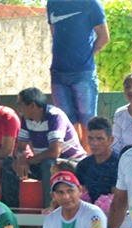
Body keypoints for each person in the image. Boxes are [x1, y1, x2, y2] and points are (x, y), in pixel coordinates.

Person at [8, 87, 86, 208]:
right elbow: (20, 147)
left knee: (48, 164)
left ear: (32, 106)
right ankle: (11, 209)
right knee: (9, 164)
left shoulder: (55, 116)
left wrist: (28, 161)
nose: (19, 110)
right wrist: (20, 159)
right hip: (43, 161)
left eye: (21, 105)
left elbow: (54, 152)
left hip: (72, 163)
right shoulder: (26, 119)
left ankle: (49, 209)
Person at [47, 0, 109, 151]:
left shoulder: (91, 3)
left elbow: (104, 37)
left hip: (83, 73)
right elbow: (54, 33)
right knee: (66, 122)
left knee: (87, 122)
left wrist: (84, 57)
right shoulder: (52, 3)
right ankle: (75, 161)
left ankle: (88, 162)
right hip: (58, 73)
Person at [75, 116, 119, 210]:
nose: (94, 143)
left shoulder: (120, 165)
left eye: (100, 139)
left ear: (111, 140)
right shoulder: (83, 166)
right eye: (90, 138)